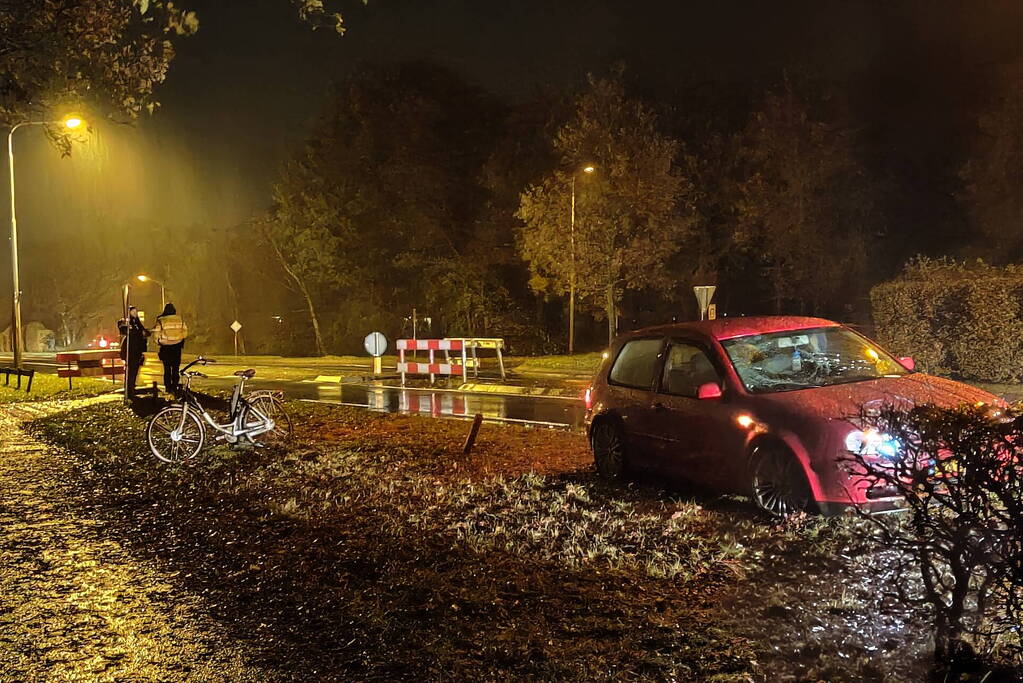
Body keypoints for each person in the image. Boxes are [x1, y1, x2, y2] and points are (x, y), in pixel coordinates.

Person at [152, 302, 188, 394]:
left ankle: (168, 388)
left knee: (167, 369)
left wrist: (159, 341)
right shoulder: (180, 319)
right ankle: (174, 386)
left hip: (166, 347)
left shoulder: (161, 320)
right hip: (177, 347)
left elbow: (156, 333)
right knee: (176, 368)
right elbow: (185, 332)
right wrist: (179, 338)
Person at [118, 307, 149, 398]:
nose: (135, 313)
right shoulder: (127, 322)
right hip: (130, 350)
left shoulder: (137, 323)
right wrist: (126, 327)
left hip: (138, 351)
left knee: (135, 371)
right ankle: (129, 389)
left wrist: (146, 333)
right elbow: (122, 330)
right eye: (133, 312)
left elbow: (143, 333)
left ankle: (132, 388)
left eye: (136, 311)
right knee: (130, 371)